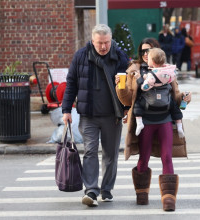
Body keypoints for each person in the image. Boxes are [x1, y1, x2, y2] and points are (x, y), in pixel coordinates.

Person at [115, 38, 191, 212]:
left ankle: (169, 199)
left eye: (149, 51)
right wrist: (120, 87)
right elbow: (128, 98)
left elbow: (175, 95)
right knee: (144, 157)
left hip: (164, 118)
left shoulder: (167, 71)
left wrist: (185, 97)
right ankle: (142, 193)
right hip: (145, 120)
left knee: (167, 156)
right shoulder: (134, 71)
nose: (145, 54)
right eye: (143, 51)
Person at [62, 24, 129, 207]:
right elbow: (71, 83)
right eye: (100, 43)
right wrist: (66, 110)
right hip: (88, 115)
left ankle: (106, 189)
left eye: (106, 42)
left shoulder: (120, 57)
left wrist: (128, 107)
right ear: (93, 41)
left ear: (111, 40)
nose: (103, 47)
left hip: (112, 115)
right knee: (90, 151)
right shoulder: (81, 56)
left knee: (110, 154)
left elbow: (129, 86)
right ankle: (91, 190)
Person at [133, 48, 184, 139]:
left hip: (151, 102)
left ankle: (139, 123)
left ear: (152, 61)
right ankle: (179, 126)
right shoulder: (168, 70)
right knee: (175, 107)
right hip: (166, 99)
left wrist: (140, 79)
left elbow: (145, 88)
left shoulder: (152, 75)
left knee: (137, 104)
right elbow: (170, 79)